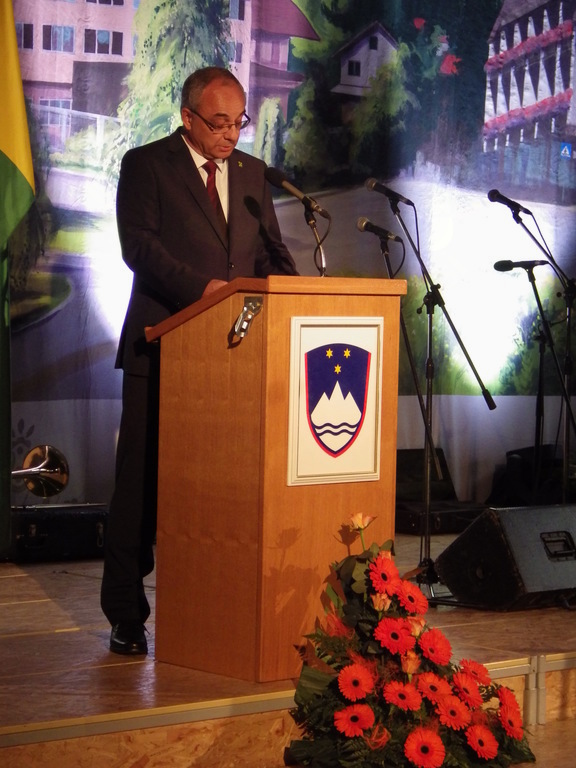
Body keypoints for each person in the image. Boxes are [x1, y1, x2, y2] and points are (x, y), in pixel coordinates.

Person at [101, 66, 298, 654]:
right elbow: (139, 247)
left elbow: (270, 253)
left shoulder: (252, 174)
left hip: (234, 357)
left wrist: (296, 295)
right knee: (139, 484)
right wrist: (204, 290)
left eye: (239, 122)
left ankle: (215, 605)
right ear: (187, 117)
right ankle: (126, 613)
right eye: (218, 123)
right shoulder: (147, 164)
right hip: (163, 345)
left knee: (221, 489)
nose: (231, 134)